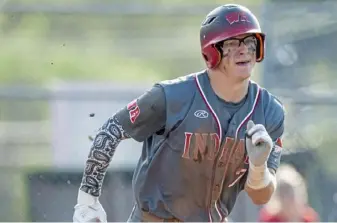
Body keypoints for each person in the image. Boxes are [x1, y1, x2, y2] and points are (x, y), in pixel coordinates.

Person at [73, 4, 285, 222]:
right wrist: (87, 201)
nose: (244, 50)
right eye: (231, 43)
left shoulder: (269, 112)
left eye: (250, 42)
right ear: (212, 52)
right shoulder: (172, 96)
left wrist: (259, 169)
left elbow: (262, 196)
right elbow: (111, 130)